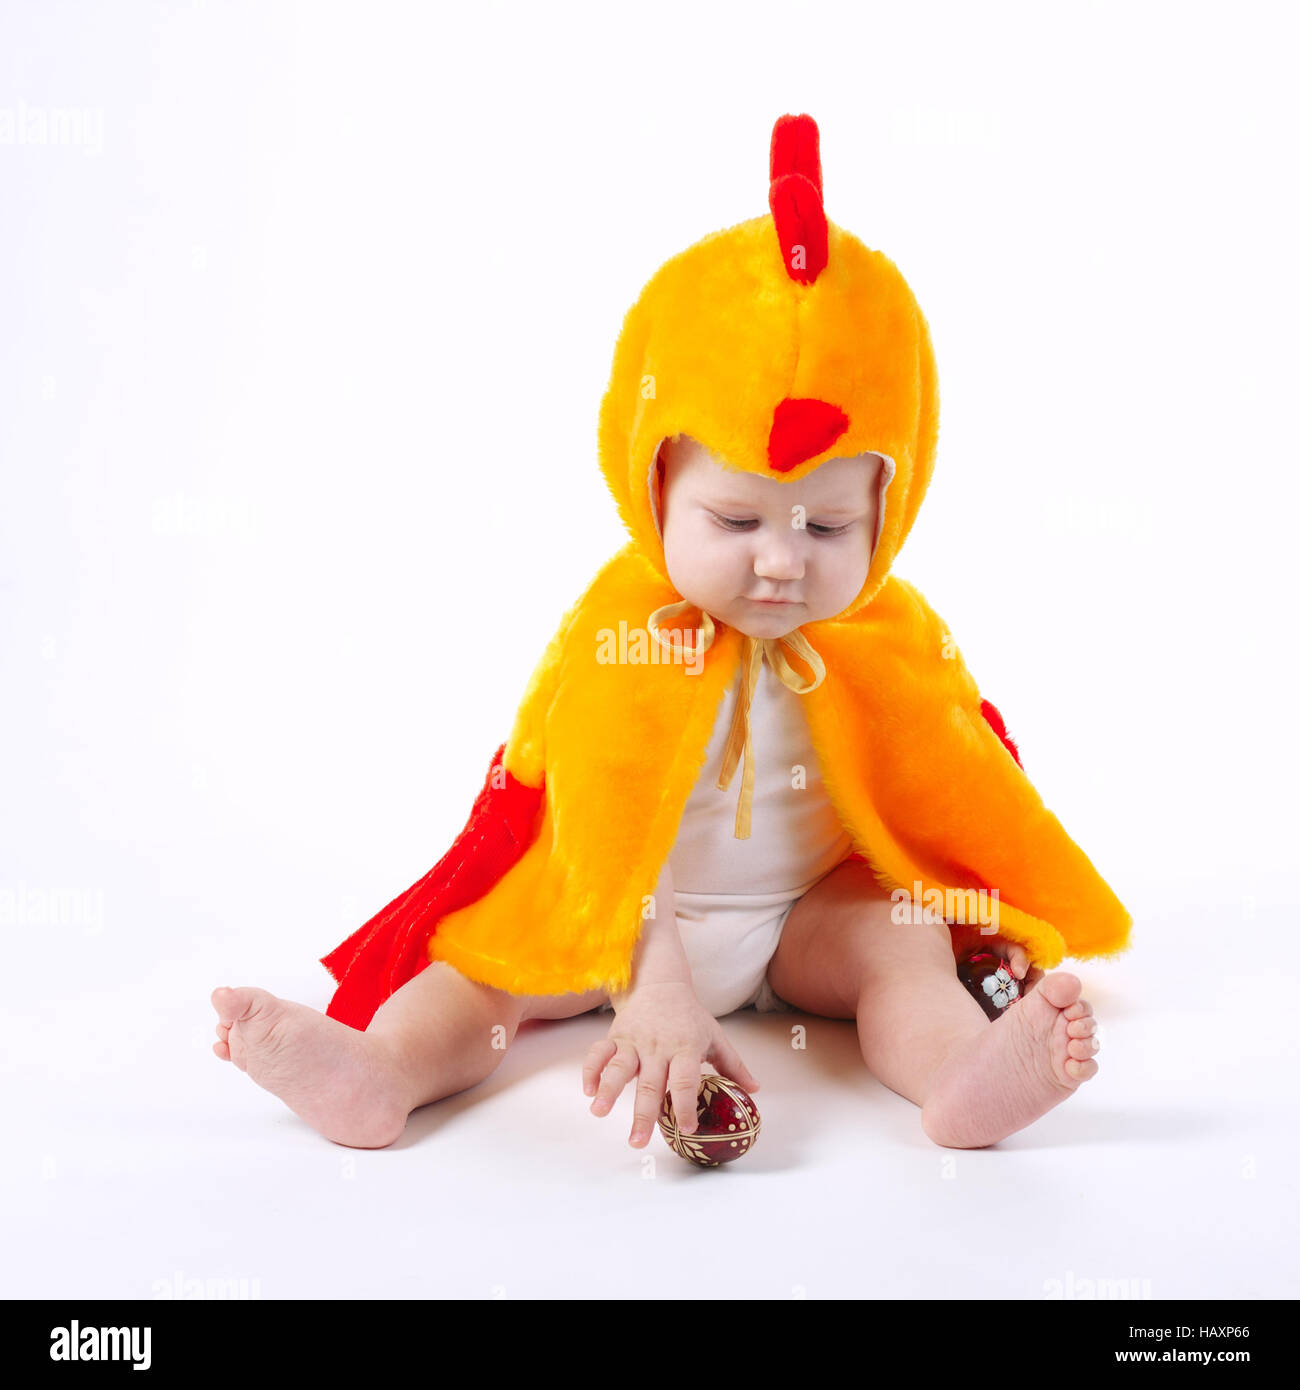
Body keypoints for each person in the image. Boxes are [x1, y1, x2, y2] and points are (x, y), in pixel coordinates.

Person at [211, 113, 1127, 1154]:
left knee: (900, 947)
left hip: (801, 918)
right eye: (736, 520)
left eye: (827, 526)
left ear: (893, 501)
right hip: (622, 913)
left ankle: (957, 1079)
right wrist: (652, 980)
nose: (781, 560)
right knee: (481, 978)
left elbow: (951, 767)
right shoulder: (624, 634)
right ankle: (381, 1072)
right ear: (651, 482)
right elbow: (596, 823)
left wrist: (968, 902)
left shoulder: (887, 630)